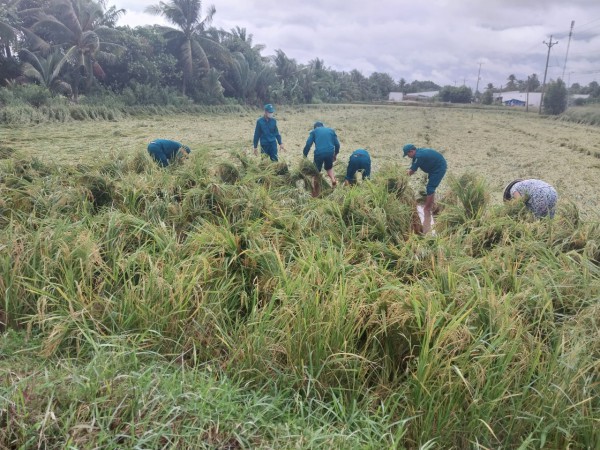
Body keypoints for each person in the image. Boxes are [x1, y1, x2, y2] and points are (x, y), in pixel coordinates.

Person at [403, 143, 447, 233]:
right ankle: (431, 204)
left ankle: (427, 208)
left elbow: (411, 171)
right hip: (433, 168)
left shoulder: (419, 156)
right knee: (430, 186)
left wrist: (401, 178)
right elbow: (412, 168)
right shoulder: (417, 155)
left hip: (439, 168)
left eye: (407, 154)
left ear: (411, 151)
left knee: (430, 187)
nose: (408, 156)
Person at [303, 121, 340, 196]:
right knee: (329, 167)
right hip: (330, 152)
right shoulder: (331, 131)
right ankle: (333, 180)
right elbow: (337, 144)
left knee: (316, 171)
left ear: (315, 127)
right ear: (323, 126)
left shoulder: (314, 131)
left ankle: (315, 192)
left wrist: (304, 155)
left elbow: (308, 144)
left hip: (319, 153)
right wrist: (335, 154)